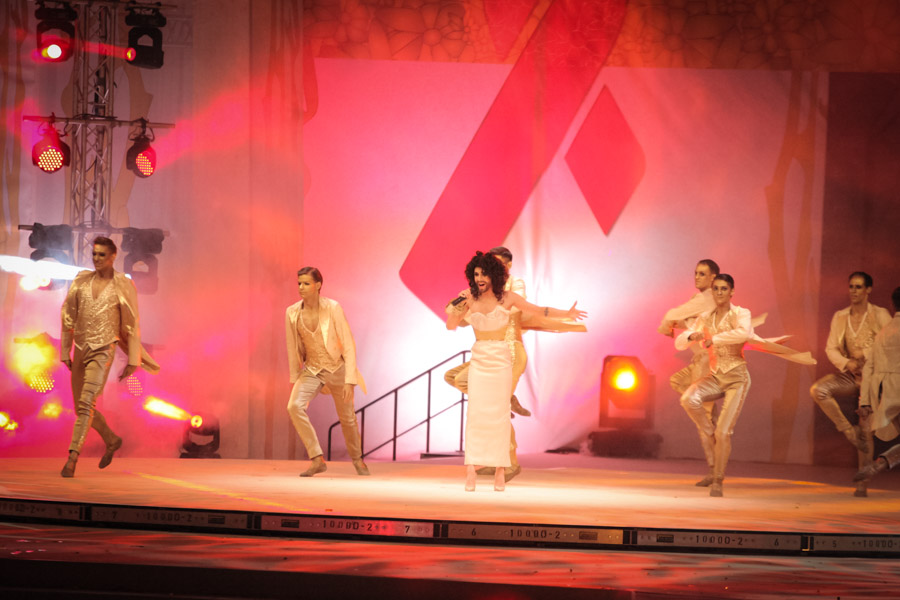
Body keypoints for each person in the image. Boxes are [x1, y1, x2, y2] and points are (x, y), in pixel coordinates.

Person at [446, 251, 586, 492]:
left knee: (500, 416)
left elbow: (538, 310)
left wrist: (566, 314)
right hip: (480, 359)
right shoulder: (469, 299)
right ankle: (471, 471)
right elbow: (451, 326)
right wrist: (459, 305)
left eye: (484, 274)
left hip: (501, 359)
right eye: (476, 274)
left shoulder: (508, 298)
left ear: (494, 275)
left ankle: (500, 470)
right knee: (476, 416)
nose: (480, 278)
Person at [60, 237, 159, 478]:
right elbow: (68, 316)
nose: (96, 258)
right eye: (94, 254)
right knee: (81, 408)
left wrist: (133, 360)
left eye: (102, 255)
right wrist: (65, 350)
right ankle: (112, 439)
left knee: (87, 404)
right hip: (80, 349)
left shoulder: (122, 284)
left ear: (113, 257)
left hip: (103, 350)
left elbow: (132, 323)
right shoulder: (81, 280)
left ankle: (72, 458)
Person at [444, 247, 529, 483]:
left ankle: (508, 463)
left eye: (494, 265)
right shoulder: (479, 291)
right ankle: (492, 455)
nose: (485, 273)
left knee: (497, 411)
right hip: (486, 352)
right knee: (454, 378)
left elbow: (518, 309)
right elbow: (460, 321)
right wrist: (465, 307)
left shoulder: (514, 286)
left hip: (508, 350)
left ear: (506, 266)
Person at [810, 272, 891, 496]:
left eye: (858, 287)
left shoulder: (879, 314)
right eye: (851, 287)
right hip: (852, 374)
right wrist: (848, 363)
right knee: (819, 389)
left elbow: (891, 341)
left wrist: (865, 355)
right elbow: (831, 348)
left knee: (866, 427)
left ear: (868, 290)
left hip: (874, 379)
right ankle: (848, 431)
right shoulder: (841, 316)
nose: (853, 291)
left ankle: (862, 483)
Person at [285, 267, 369, 477]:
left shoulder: (333, 308)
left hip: (336, 367)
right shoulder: (292, 312)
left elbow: (348, 344)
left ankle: (358, 460)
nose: (301, 287)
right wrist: (295, 378)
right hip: (312, 369)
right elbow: (292, 346)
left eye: (306, 283)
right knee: (294, 406)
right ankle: (317, 459)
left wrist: (350, 380)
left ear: (318, 285)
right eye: (299, 283)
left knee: (347, 418)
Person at [676, 274, 751, 497]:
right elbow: (680, 342)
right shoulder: (706, 316)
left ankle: (718, 480)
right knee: (688, 398)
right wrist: (692, 335)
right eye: (716, 288)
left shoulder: (741, 313)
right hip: (716, 376)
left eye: (724, 289)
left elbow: (743, 333)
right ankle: (709, 432)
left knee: (724, 431)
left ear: (732, 291)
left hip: (737, 378)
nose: (719, 293)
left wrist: (714, 339)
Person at [853, 286, 900, 483]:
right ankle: (882, 462)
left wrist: (865, 401)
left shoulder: (884, 331)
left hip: (883, 393)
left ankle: (881, 462)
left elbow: (869, 367)